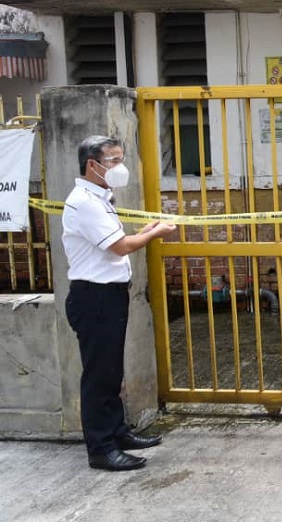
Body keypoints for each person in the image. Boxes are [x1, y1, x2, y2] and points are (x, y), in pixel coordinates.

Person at [62, 135, 176, 471]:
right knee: (99, 375)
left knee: (111, 371)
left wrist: (145, 229)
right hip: (94, 297)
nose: (120, 167)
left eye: (121, 159)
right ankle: (101, 449)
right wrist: (154, 233)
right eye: (113, 161)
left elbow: (116, 240)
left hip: (107, 295)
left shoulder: (100, 197)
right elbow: (120, 247)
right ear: (92, 165)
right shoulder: (85, 201)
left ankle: (117, 433)